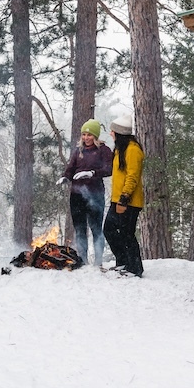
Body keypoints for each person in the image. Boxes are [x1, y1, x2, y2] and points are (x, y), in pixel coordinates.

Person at [60, 119, 113, 267]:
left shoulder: (104, 150)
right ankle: (82, 260)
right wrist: (65, 177)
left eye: (89, 135)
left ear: (95, 136)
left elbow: (109, 169)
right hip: (77, 195)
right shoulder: (79, 151)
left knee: (96, 228)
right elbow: (71, 168)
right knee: (79, 229)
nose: (86, 138)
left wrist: (92, 173)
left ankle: (98, 261)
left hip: (95, 194)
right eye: (84, 134)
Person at [103, 115, 145, 277]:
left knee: (127, 234)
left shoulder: (133, 150)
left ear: (120, 133)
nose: (111, 133)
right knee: (109, 230)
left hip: (129, 201)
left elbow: (132, 176)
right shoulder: (121, 149)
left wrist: (125, 196)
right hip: (117, 199)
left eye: (113, 131)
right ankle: (123, 261)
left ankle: (135, 268)